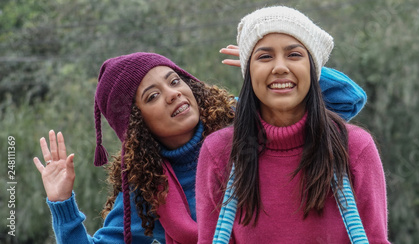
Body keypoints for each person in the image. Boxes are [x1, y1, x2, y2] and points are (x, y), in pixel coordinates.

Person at [33, 49, 366, 243]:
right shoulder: (148, 190)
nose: (173, 93)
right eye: (152, 96)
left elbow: (347, 100)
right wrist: (62, 204)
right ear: (137, 123)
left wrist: (276, 67)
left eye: (174, 81)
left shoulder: (244, 119)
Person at [196, 6, 390, 244]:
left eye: (294, 55)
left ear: (313, 69)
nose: (279, 67)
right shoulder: (219, 152)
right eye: (264, 57)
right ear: (248, 72)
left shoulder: (354, 148)